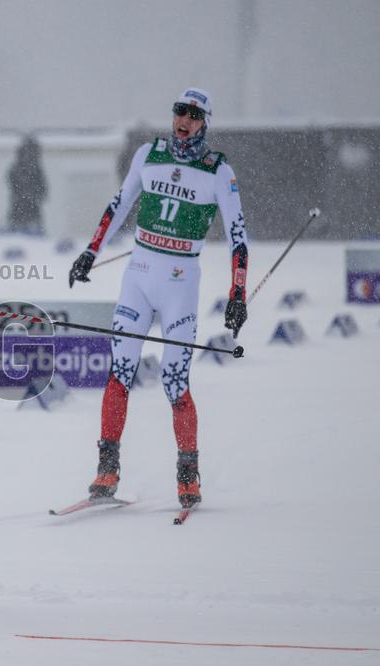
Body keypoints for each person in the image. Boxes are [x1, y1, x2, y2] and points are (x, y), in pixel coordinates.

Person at [68, 88, 249, 510]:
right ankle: (107, 470)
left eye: (194, 114)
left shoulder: (218, 170)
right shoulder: (149, 154)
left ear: (205, 121)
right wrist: (90, 252)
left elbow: (239, 237)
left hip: (180, 286)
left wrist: (237, 293)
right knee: (121, 371)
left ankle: (188, 475)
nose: (184, 119)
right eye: (179, 111)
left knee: (174, 381)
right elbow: (118, 205)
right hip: (139, 279)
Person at [7, 135, 48, 234]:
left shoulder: (36, 170)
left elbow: (43, 189)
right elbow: (12, 181)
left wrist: (33, 194)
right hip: (21, 208)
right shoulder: (20, 168)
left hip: (29, 208)